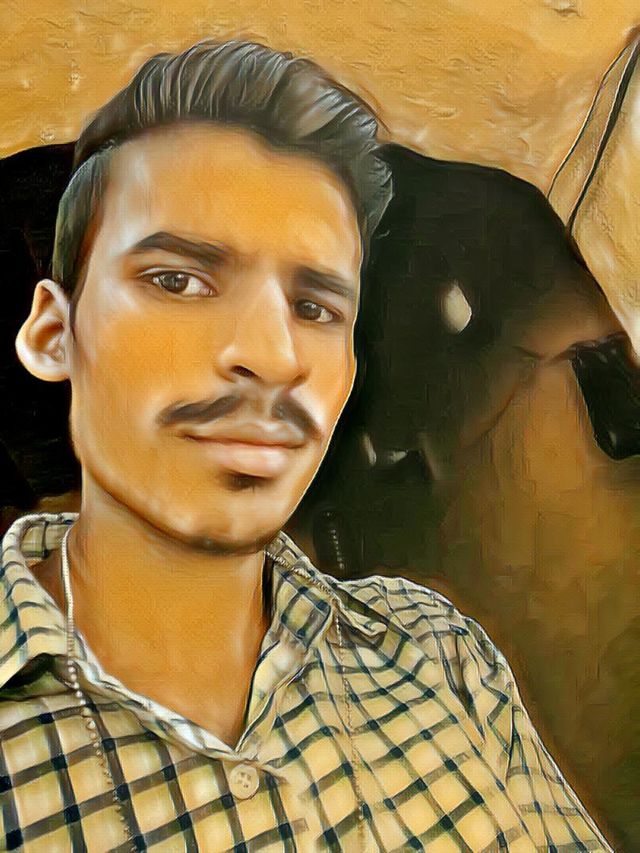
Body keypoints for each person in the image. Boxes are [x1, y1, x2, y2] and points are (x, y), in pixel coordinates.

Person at [1, 40, 611, 851]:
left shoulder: (439, 654)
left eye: (317, 307)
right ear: (54, 332)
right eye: (178, 280)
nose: (274, 355)